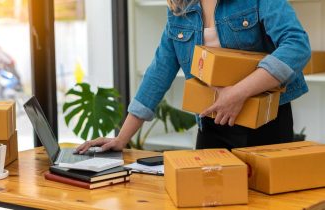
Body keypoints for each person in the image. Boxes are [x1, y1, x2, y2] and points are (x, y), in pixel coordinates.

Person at [76, 0, 311, 153]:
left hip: (266, 124)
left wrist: (238, 93)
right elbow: (158, 73)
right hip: (212, 125)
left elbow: (297, 46)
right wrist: (122, 138)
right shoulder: (180, 10)